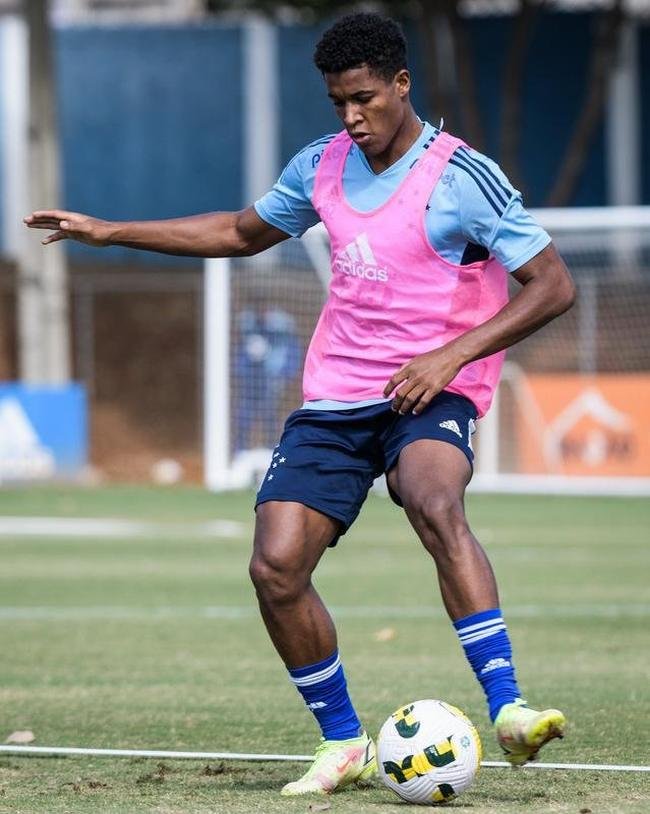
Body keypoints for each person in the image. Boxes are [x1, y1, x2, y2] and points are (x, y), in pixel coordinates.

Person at [25, 12, 575, 798]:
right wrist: (112, 231)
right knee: (274, 566)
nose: (352, 117)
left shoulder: (462, 176)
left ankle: (510, 707)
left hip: (435, 385)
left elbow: (554, 285)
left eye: (364, 99)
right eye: (337, 103)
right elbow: (240, 231)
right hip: (337, 398)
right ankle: (343, 741)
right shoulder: (321, 165)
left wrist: (451, 354)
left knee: (429, 496)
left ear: (400, 84)